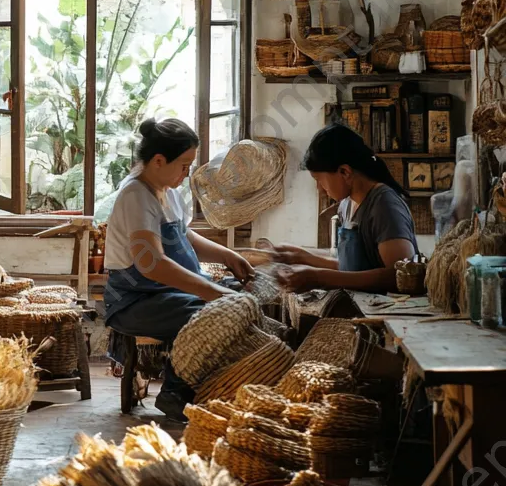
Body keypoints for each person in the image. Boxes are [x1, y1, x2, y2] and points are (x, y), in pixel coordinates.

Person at [104, 117, 256, 418]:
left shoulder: (167, 190)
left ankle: (218, 385)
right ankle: (175, 393)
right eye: (184, 165)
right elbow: (151, 265)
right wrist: (210, 291)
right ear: (159, 160)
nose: (187, 174)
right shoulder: (136, 195)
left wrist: (227, 256)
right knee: (211, 315)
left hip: (166, 293)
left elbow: (184, 234)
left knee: (242, 294)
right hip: (136, 301)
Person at [265, 123, 418, 293]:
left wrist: (318, 277)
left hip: (392, 313)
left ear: (345, 172)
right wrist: (301, 257)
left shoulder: (384, 205)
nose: (320, 189)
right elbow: (352, 267)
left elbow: (399, 275)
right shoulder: (346, 205)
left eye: (319, 180)